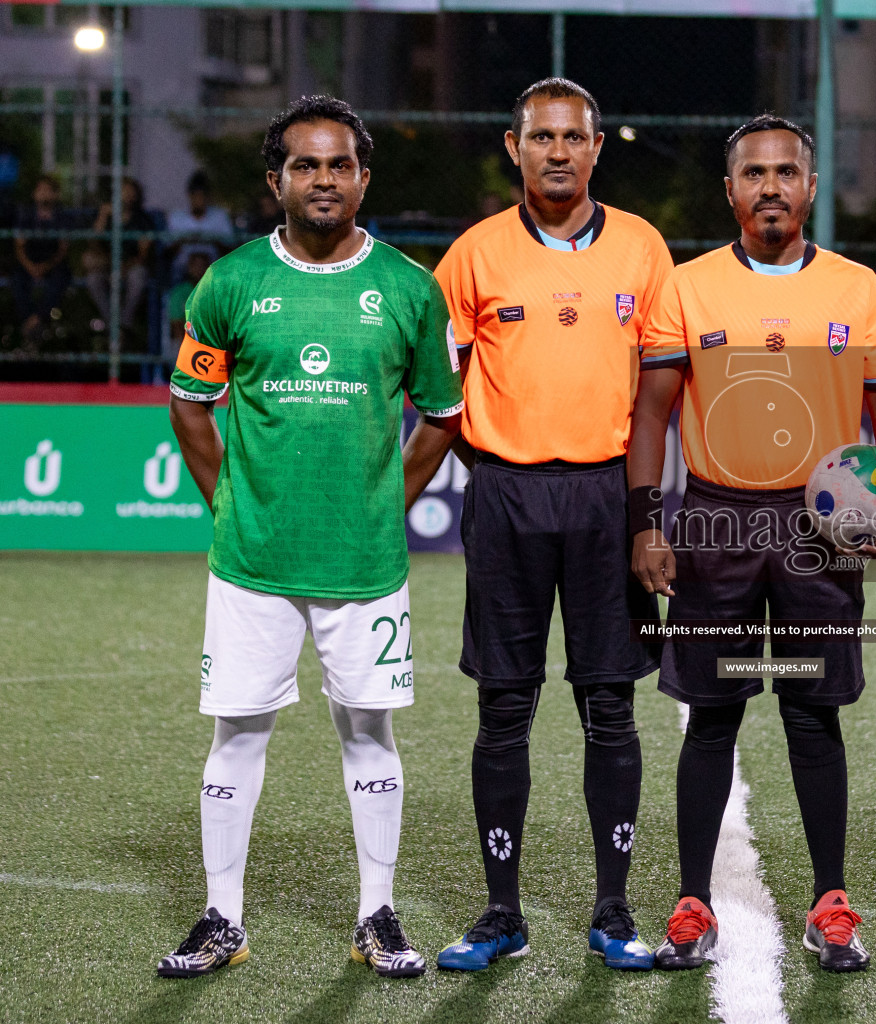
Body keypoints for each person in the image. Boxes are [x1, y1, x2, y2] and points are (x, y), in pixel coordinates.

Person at [156, 96, 464, 980]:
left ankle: (378, 915)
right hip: (251, 564)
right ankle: (221, 916)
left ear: (364, 178)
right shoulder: (230, 283)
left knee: (369, 733)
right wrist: (229, 508)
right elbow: (191, 404)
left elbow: (442, 417)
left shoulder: (408, 287)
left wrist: (386, 505)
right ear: (275, 181)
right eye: (304, 165)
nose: (322, 179)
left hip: (365, 565)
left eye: (338, 165)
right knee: (238, 732)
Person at [630, 114, 876, 974]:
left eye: (786, 172)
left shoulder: (857, 289)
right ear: (731, 190)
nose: (770, 187)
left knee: (810, 712)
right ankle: (691, 903)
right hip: (717, 525)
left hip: (818, 537)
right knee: (712, 715)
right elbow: (649, 414)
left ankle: (830, 903)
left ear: (811, 186)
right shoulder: (688, 286)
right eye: (753, 174)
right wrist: (648, 519)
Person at [431, 78, 672, 973]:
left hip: (611, 498)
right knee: (504, 709)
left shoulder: (644, 250)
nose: (558, 152)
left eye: (574, 138)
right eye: (542, 139)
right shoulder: (473, 256)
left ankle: (612, 908)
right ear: (514, 146)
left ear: (598, 147)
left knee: (610, 706)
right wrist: (497, 471)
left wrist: (645, 508)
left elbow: (662, 393)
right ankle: (502, 913)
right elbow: (439, 391)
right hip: (506, 498)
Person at [83, 177, 156, 327]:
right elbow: (93, 245)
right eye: (124, 191)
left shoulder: (142, 220)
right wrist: (103, 215)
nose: (127, 195)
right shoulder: (105, 215)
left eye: (131, 192)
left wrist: (122, 269)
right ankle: (113, 325)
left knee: (138, 277)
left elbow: (143, 256)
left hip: (131, 266)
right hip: (107, 263)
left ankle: (123, 324)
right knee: (92, 279)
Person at [10, 174, 72, 342]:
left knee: (61, 279)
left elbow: (63, 249)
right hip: (30, 259)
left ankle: (36, 320)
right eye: (40, 190)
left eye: (48, 190)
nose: (44, 194)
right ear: (34, 194)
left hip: (53, 262)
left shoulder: (62, 216)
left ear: (55, 194)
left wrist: (46, 266)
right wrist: (30, 266)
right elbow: (19, 247)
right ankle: (31, 319)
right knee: (17, 280)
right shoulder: (26, 215)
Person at [167, 170, 235, 281]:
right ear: (190, 196)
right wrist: (185, 240)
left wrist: (212, 240)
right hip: (183, 270)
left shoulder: (220, 216)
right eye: (196, 195)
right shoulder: (176, 217)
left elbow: (231, 250)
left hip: (214, 269)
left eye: (202, 196)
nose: (199, 200)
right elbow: (167, 252)